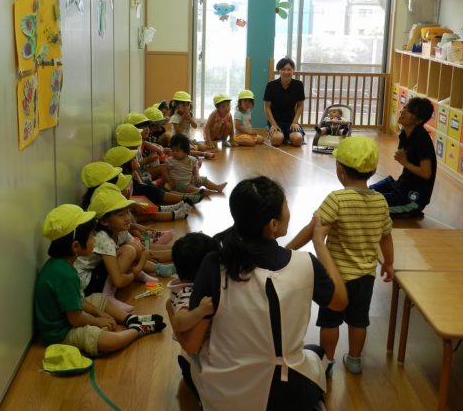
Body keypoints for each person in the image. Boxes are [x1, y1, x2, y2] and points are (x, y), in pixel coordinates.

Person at [180, 176, 348, 411]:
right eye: (286, 205)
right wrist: (319, 243)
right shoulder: (305, 264)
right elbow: (340, 301)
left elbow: (192, 344)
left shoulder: (214, 263)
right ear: (273, 225)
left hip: (228, 398)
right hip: (290, 396)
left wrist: (172, 311)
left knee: (185, 358)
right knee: (315, 353)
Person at [287, 136, 394, 377]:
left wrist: (289, 248)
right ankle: (354, 360)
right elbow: (386, 237)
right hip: (365, 277)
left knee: (329, 321)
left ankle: (327, 361)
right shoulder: (380, 201)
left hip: (336, 277)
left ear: (340, 170)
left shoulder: (337, 199)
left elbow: (313, 229)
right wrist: (388, 262)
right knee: (359, 321)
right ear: (373, 170)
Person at [34, 204, 165, 357]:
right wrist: (97, 321)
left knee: (97, 298)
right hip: (60, 332)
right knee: (109, 341)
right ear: (76, 246)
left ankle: (130, 319)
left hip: (69, 317)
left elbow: (77, 301)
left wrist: (98, 312)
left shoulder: (61, 265)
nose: (95, 240)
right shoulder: (66, 274)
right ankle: (137, 330)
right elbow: (75, 318)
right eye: (91, 236)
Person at [165, 232, 219, 397]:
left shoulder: (186, 286)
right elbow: (179, 321)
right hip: (198, 355)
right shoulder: (187, 293)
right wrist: (200, 311)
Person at [369, 97, 436, 218]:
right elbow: (403, 154)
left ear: (419, 120)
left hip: (412, 197)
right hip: (400, 185)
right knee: (368, 192)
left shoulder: (422, 140)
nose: (403, 111)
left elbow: (426, 173)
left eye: (409, 111)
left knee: (370, 206)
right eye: (405, 107)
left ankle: (410, 210)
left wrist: (405, 163)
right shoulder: (405, 133)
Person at [162, 133, 227, 195]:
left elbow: (195, 169)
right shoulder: (170, 161)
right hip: (179, 185)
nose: (174, 153)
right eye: (173, 150)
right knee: (189, 188)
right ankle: (201, 192)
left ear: (185, 151)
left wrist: (197, 176)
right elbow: (165, 171)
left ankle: (217, 187)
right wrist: (169, 181)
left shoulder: (192, 159)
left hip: (190, 181)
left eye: (177, 150)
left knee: (203, 179)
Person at [264, 57, 305, 147]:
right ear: (279, 71)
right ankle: (279, 135)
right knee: (277, 140)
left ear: (293, 70)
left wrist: (295, 122)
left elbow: (300, 105)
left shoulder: (298, 85)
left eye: (289, 69)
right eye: (283, 69)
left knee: (297, 140)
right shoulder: (271, 85)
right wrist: (273, 124)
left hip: (291, 121)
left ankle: (287, 136)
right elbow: (267, 107)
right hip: (276, 121)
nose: (286, 72)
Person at [169, 91, 214, 157]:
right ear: (176, 106)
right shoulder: (175, 117)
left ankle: (195, 148)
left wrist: (190, 119)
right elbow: (178, 131)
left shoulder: (190, 115)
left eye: (188, 105)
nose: (186, 107)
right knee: (189, 150)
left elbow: (195, 126)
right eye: (183, 105)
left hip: (188, 139)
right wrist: (184, 120)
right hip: (178, 141)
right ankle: (201, 153)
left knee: (203, 147)